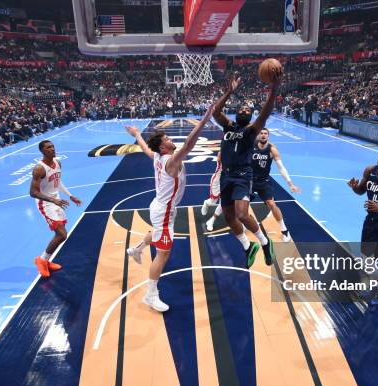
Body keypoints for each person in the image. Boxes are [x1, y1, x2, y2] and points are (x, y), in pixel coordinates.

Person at [125, 105, 214, 312]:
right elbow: (189, 144)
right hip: (164, 210)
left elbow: (146, 148)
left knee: (157, 234)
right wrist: (203, 120)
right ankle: (151, 295)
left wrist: (137, 133)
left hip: (160, 207)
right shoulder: (170, 161)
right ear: (163, 148)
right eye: (166, 139)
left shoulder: (157, 156)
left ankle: (136, 249)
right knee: (163, 254)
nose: (170, 139)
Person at [212, 71, 282, 269]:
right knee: (228, 216)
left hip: (243, 175)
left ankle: (265, 242)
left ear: (251, 116)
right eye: (241, 109)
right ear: (236, 113)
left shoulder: (251, 131)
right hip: (226, 175)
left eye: (247, 110)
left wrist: (274, 89)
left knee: (242, 214)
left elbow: (265, 112)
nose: (244, 110)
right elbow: (215, 112)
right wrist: (228, 92)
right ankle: (247, 245)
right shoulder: (228, 126)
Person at [203, 128, 301, 240]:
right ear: (258, 135)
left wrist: (290, 184)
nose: (263, 135)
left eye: (265, 134)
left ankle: (284, 231)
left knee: (271, 204)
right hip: (248, 180)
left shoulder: (272, 149)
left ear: (268, 136)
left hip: (263, 181)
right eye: (261, 133)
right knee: (231, 201)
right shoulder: (251, 145)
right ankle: (212, 219)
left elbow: (281, 168)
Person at [29, 140, 82, 278]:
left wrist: (70, 196)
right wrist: (53, 200)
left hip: (56, 200)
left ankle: (45, 260)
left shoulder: (58, 162)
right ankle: (41, 261)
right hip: (45, 203)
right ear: (42, 151)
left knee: (62, 234)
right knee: (62, 234)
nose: (52, 149)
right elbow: (33, 192)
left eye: (52, 146)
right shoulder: (39, 169)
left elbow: (57, 181)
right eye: (48, 148)